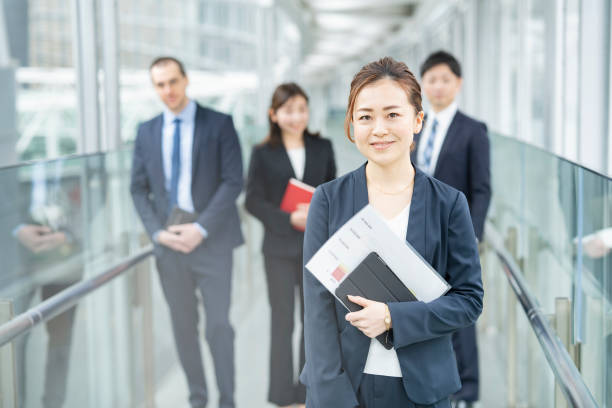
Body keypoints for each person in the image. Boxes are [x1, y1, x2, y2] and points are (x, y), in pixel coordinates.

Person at [300, 57, 483, 408]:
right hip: (344, 386)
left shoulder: (449, 204)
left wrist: (391, 317)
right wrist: (332, 397)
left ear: (417, 121)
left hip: (422, 390)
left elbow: (469, 301)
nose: (379, 128)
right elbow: (317, 306)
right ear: (352, 125)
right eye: (365, 116)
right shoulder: (328, 199)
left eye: (392, 114)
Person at [130, 57, 244, 408]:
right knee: (183, 327)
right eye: (160, 85)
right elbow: (138, 189)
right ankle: (198, 398)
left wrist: (201, 228)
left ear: (186, 80)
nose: (168, 91)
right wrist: (157, 233)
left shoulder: (219, 124)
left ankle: (227, 399)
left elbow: (233, 181)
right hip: (169, 246)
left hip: (212, 242)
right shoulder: (146, 131)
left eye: (173, 82)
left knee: (218, 326)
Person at [245, 83, 336, 408]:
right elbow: (252, 200)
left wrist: (316, 211)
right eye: (288, 110)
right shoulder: (262, 152)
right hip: (278, 250)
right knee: (281, 321)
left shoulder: (323, 147)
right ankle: (282, 396)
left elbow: (332, 193)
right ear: (274, 114)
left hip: (315, 248)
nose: (296, 116)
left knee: (313, 321)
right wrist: (288, 219)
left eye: (301, 109)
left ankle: (305, 392)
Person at [412, 51, 491, 407]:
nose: (438, 86)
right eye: (431, 79)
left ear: (457, 84)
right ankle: (435, 382)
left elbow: (482, 188)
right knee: (424, 307)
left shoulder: (473, 130)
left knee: (461, 312)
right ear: (423, 85)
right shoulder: (414, 125)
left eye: (445, 79)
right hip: (417, 236)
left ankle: (467, 390)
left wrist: (471, 236)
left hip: (457, 239)